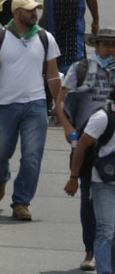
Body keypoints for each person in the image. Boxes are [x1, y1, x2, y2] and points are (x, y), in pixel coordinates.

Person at [0, 0, 61, 222]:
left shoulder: (46, 38)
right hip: (5, 106)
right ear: (17, 13)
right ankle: (0, 178)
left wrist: (58, 103)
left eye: (36, 10)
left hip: (35, 106)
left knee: (32, 157)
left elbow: (53, 75)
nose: (34, 13)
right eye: (29, 10)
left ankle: (21, 202)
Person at [58, 28, 115, 272]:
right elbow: (61, 100)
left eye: (113, 46)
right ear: (96, 46)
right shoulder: (81, 68)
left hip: (112, 142)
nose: (109, 50)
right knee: (89, 197)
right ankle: (90, 250)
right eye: (105, 45)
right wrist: (68, 127)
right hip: (86, 140)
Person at [66, 85, 115, 274]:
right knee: (106, 230)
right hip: (103, 183)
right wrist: (73, 177)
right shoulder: (102, 117)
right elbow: (81, 147)